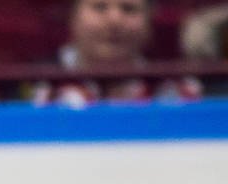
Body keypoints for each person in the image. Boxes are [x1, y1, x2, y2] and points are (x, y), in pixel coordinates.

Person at [32, 0, 199, 105]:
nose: (114, 20)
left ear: (149, 21)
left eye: (129, 9)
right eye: (100, 7)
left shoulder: (177, 90)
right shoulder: (29, 85)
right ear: (72, 16)